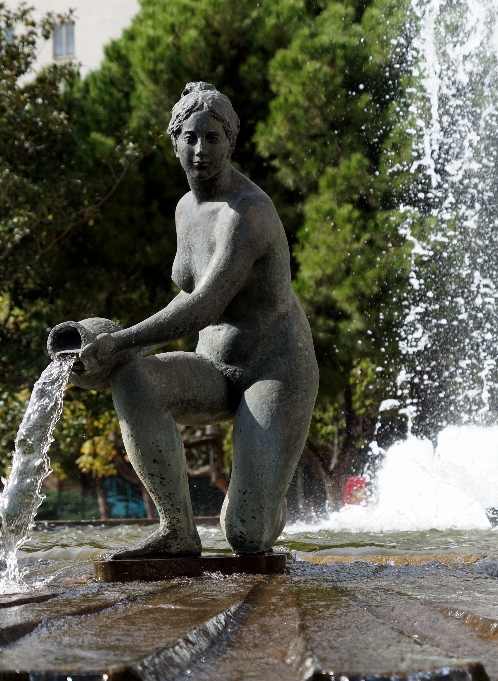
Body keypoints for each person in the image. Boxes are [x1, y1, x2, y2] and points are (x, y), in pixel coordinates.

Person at [80, 82, 318, 557]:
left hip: (274, 371)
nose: (200, 150)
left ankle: (264, 499)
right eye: (190, 137)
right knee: (134, 383)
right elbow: (186, 298)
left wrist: (124, 337)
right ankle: (177, 533)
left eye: (213, 138)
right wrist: (127, 350)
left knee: (246, 536)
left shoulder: (249, 213)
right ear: (174, 142)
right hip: (214, 366)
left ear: (230, 142)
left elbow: (206, 304)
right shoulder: (184, 209)